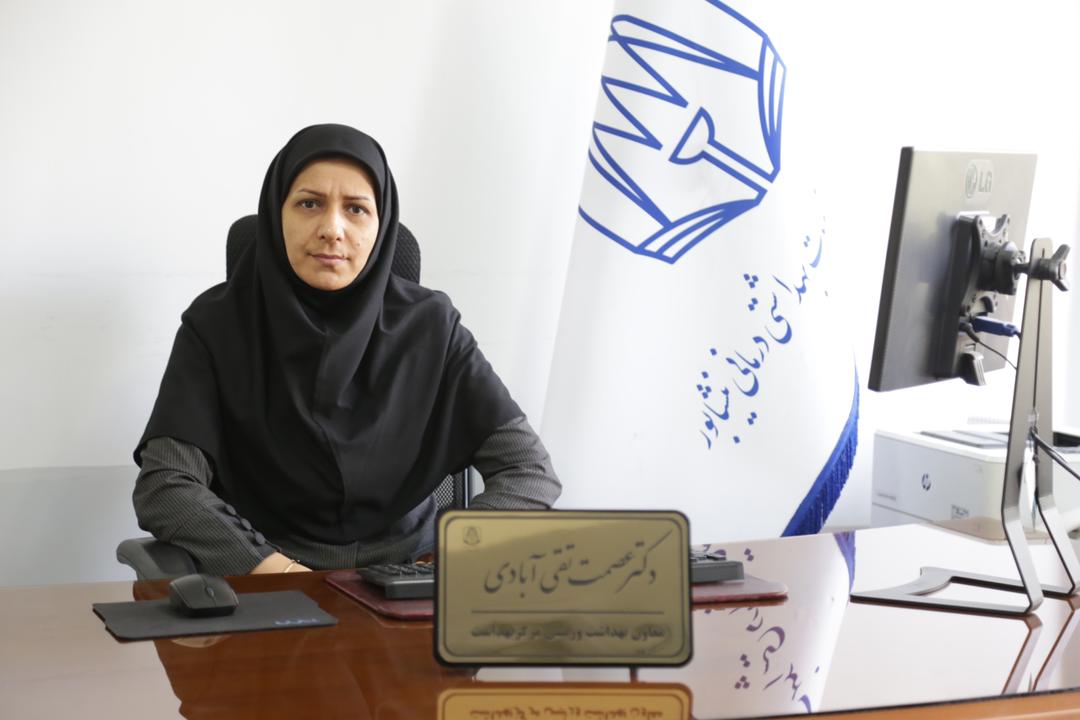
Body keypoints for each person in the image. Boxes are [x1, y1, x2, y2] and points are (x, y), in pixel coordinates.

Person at [133, 124, 560, 575]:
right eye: (309, 204)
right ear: (276, 215)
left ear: (381, 225)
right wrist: (278, 573)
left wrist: (445, 561)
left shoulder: (431, 328)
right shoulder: (217, 326)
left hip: (407, 574)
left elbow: (529, 472)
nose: (332, 229)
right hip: (268, 577)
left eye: (356, 209)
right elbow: (166, 486)